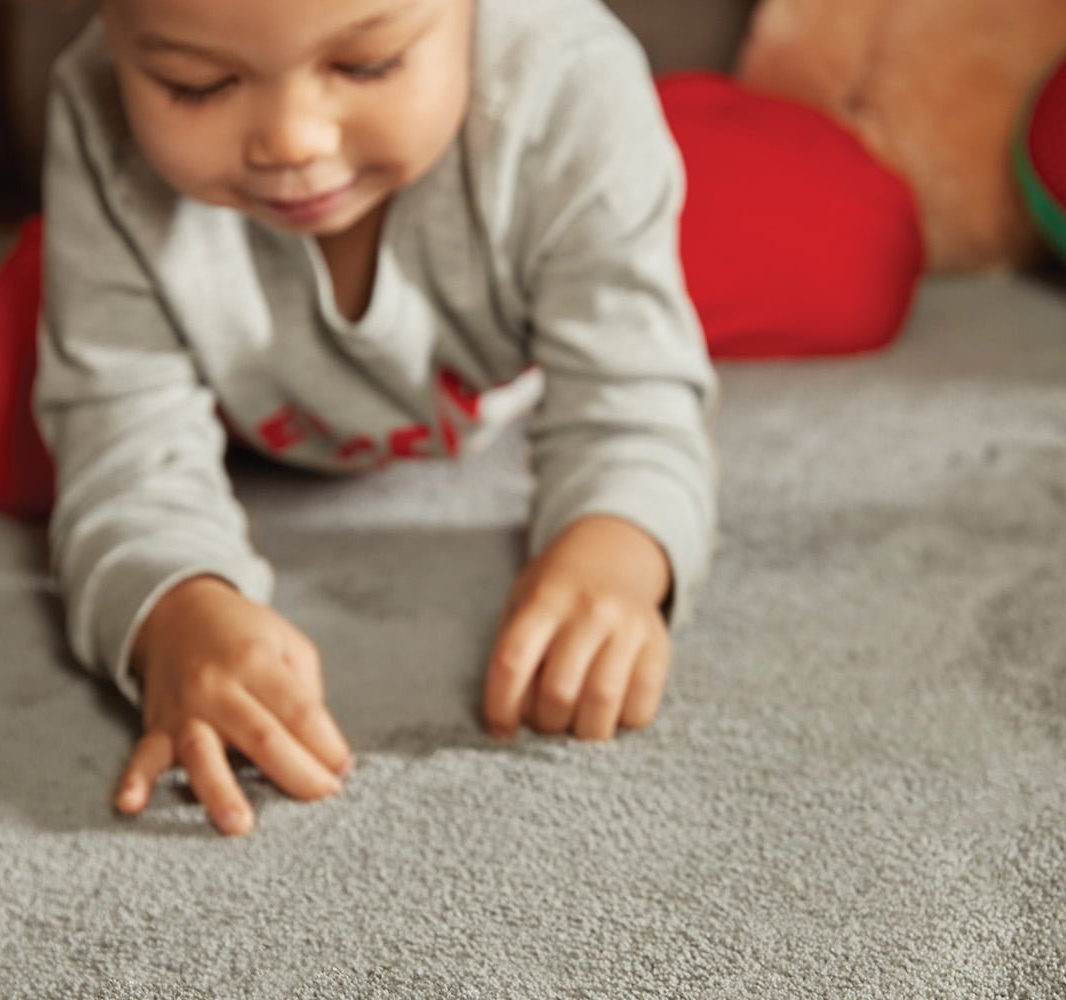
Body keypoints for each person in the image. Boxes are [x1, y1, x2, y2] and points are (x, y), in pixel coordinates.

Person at [36, 0, 718, 836]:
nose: (293, 141)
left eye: (365, 66)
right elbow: (119, 434)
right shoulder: (98, 115)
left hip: (529, 286)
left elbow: (635, 389)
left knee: (826, 254)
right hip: (228, 371)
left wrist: (619, 547)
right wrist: (175, 607)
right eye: (197, 84)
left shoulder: (565, 85)